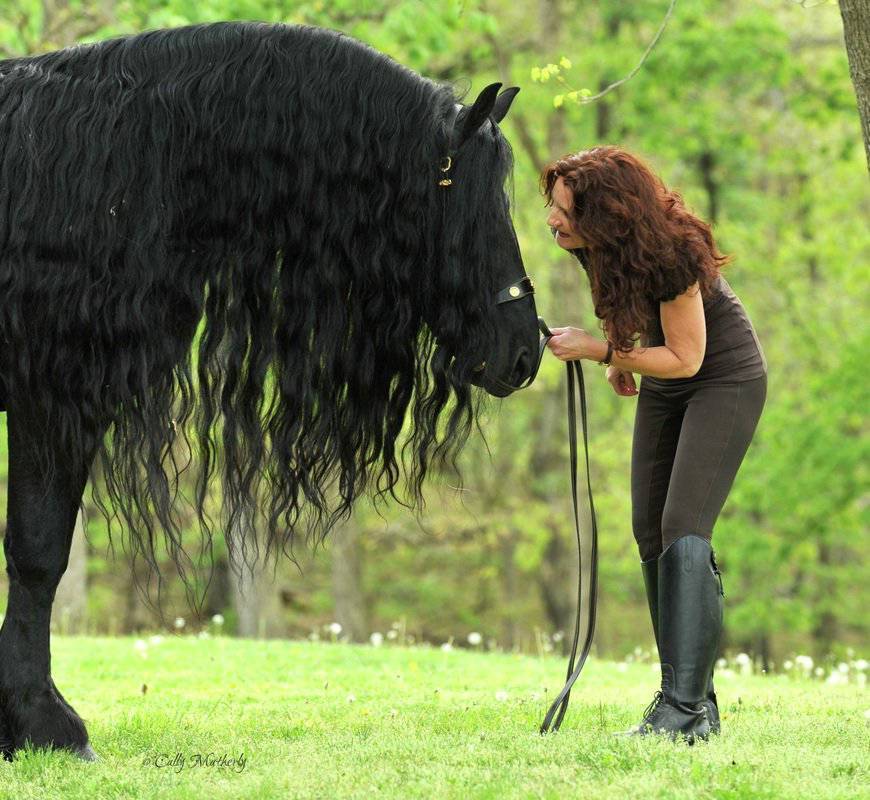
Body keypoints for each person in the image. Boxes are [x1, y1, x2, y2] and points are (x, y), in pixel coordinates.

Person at [541, 145, 768, 744]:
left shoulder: (672, 252)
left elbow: (688, 357)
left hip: (723, 380)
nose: (552, 220)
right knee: (649, 527)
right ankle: (691, 700)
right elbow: (622, 301)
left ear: (605, 214)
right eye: (553, 206)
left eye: (564, 210)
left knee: (683, 524)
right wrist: (622, 353)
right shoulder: (591, 246)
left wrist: (603, 352)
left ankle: (683, 712)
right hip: (668, 382)